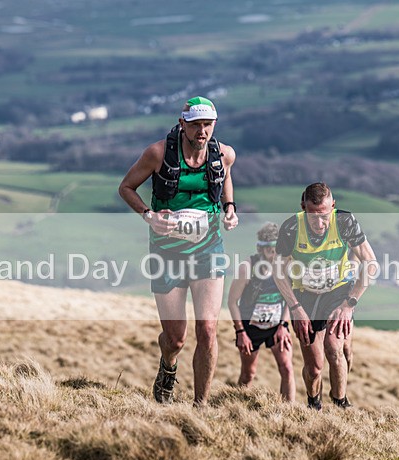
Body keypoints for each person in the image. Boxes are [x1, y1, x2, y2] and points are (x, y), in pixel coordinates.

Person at [118, 96, 238, 406]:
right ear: (182, 123)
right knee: (175, 339)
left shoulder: (223, 154)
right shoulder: (157, 153)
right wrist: (149, 215)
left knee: (208, 330)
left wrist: (229, 208)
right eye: (196, 124)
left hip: (208, 250)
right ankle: (168, 367)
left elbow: (226, 179)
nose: (202, 131)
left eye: (207, 124)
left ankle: (200, 407)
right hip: (167, 254)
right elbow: (126, 188)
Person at [273, 182, 376, 410]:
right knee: (314, 367)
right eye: (313, 217)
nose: (320, 223)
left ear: (333, 207)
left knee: (333, 347)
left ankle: (340, 403)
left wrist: (349, 304)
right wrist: (296, 308)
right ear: (303, 208)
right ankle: (313, 401)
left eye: (325, 215)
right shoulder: (291, 228)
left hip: (338, 292)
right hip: (304, 296)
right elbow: (278, 273)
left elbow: (371, 263)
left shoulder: (344, 222)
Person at [228, 222, 295, 402]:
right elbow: (232, 302)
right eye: (269, 250)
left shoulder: (286, 267)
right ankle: (237, 407)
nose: (273, 255)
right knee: (248, 374)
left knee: (287, 368)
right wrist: (240, 332)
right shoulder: (247, 267)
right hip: (251, 329)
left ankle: (289, 413)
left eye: (276, 249)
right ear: (260, 249)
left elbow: (292, 299)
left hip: (277, 327)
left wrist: (284, 325)